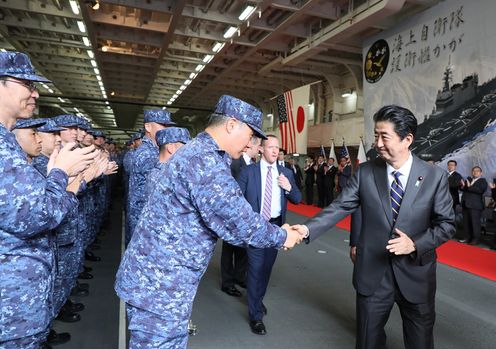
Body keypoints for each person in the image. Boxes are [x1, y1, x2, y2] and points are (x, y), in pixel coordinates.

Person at [115, 95, 304, 349]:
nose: (251, 145)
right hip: (159, 289)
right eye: (250, 135)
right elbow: (239, 222)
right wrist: (283, 236)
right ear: (231, 124)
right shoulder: (204, 161)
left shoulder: (198, 152)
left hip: (160, 283)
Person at [292, 105, 455, 349]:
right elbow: (339, 207)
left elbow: (447, 224)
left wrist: (415, 244)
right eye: (376, 135)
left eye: (384, 136)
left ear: (407, 139)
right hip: (373, 276)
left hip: (416, 275)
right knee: (368, 341)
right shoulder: (366, 172)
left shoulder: (434, 176)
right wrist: (305, 230)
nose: (377, 143)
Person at [0, 51, 98, 348]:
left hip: (19, 296)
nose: (35, 92)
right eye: (26, 84)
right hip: (11, 301)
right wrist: (62, 175)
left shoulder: (7, 145)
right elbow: (37, 217)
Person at [238, 135, 301, 335]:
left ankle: (256, 300)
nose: (275, 151)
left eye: (277, 148)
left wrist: (289, 188)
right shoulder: (248, 172)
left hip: (275, 228)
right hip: (256, 228)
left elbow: (298, 198)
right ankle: (255, 315)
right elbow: (237, 201)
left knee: (266, 269)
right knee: (255, 269)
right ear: (261, 149)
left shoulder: (286, 173)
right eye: (271, 147)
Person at [220, 136, 261, 297]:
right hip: (232, 214)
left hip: (247, 215)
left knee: (243, 248)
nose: (260, 150)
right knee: (229, 249)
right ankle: (227, 282)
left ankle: (239, 276)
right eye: (259, 146)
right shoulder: (233, 163)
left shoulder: (253, 165)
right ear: (251, 145)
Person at [126, 110, 174, 244]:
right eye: (162, 125)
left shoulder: (154, 151)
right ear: (148, 127)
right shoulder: (147, 153)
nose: (166, 129)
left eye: (168, 126)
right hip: (143, 217)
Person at [459, 166, 488, 245]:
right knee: (466, 223)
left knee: (475, 223)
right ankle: (467, 237)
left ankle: (475, 239)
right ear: (472, 172)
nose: (475, 172)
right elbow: (464, 189)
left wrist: (469, 186)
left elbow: (479, 190)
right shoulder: (469, 180)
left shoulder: (483, 181)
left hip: (475, 206)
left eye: (477, 171)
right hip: (465, 204)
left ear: (481, 173)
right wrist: (462, 186)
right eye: (474, 171)